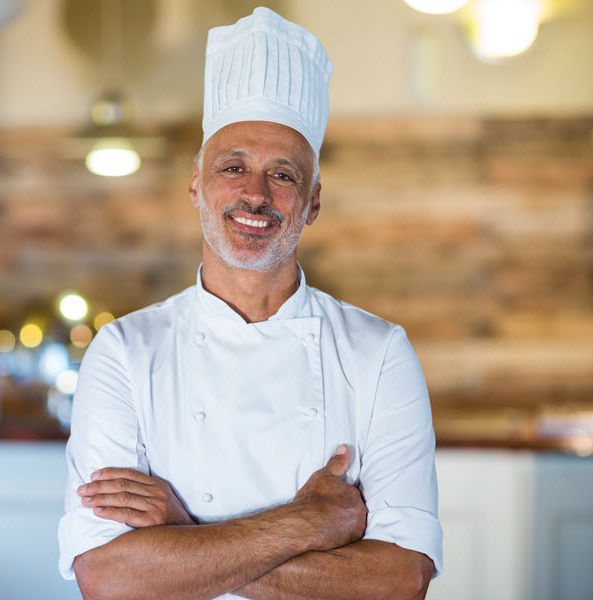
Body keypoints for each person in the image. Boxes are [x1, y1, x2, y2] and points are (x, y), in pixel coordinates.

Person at [58, 7, 442, 600]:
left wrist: (184, 537)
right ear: (196, 186)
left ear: (313, 202)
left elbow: (399, 583)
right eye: (232, 166)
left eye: (283, 175)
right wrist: (309, 523)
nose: (255, 195)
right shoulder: (124, 352)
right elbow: (109, 580)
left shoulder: (379, 353)